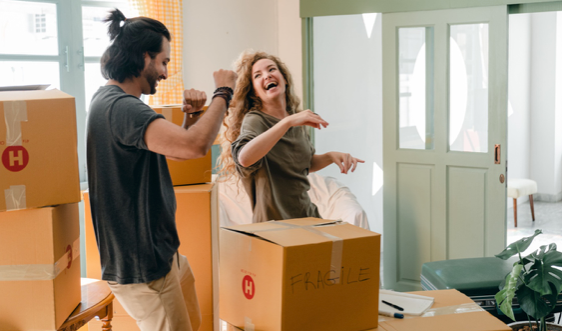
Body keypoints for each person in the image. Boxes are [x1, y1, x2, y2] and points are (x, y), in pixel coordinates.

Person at [86, 9, 236, 331]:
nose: (165, 73)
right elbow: (194, 147)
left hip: (162, 255)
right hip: (145, 266)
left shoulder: (112, 101)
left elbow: (179, 152)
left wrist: (193, 118)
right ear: (144, 57)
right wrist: (223, 92)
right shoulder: (123, 108)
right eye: (163, 62)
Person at [218, 50, 363, 223]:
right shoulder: (256, 119)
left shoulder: (296, 120)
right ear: (254, 91)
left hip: (306, 214)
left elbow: (303, 163)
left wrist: (330, 156)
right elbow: (244, 158)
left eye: (271, 69)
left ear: (284, 78)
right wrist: (287, 122)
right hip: (274, 224)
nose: (267, 76)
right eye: (258, 75)